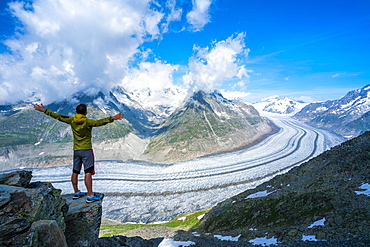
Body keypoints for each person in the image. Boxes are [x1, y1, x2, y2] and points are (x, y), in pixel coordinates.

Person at [34, 103, 124, 203]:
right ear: (86, 112)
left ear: (76, 112)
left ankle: (76, 192)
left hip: (76, 150)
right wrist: (113, 118)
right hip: (86, 150)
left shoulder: (71, 120)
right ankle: (90, 195)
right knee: (88, 172)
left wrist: (44, 110)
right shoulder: (88, 122)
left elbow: (58, 116)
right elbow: (100, 122)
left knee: (75, 171)